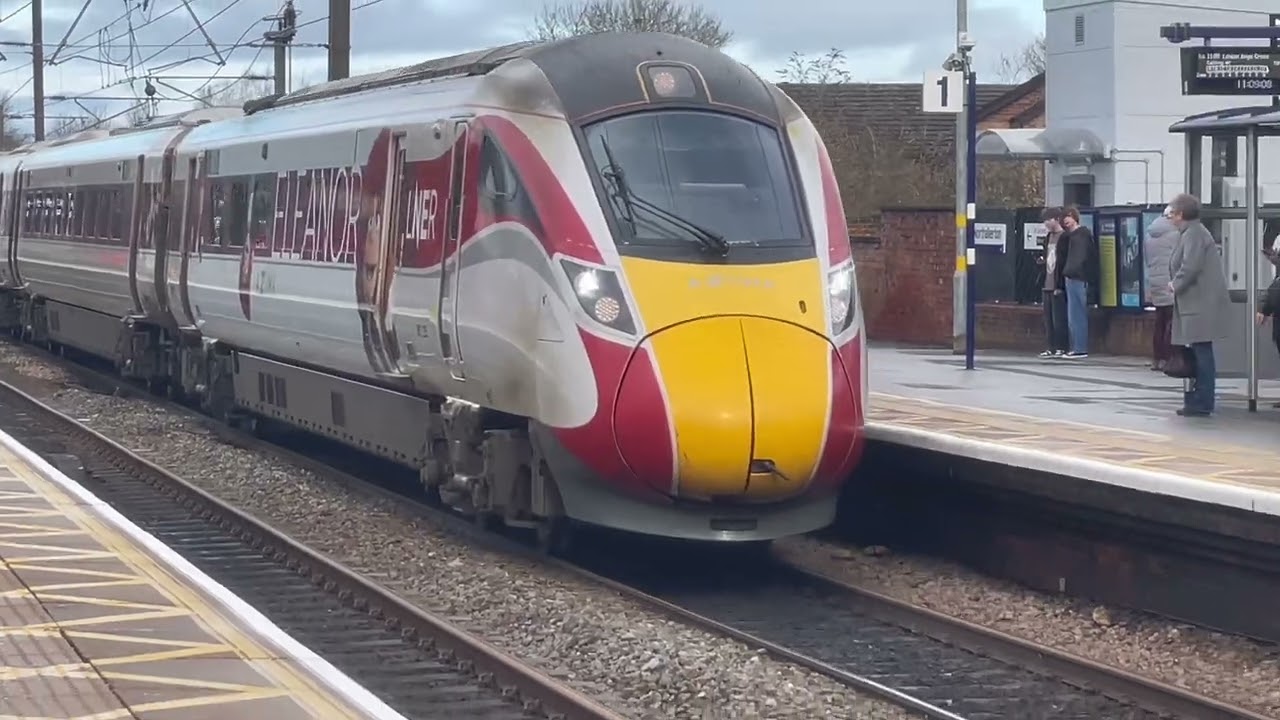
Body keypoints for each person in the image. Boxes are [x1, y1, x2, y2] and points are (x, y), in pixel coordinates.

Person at [1167, 193, 1231, 417]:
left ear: (1181, 214)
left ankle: (1203, 401)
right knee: (1201, 351)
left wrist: (1176, 284)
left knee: (1202, 353)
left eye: (1172, 213)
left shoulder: (1194, 233)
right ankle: (1200, 398)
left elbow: (1191, 265)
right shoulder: (1192, 232)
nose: (1170, 218)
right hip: (1196, 303)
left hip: (1200, 304)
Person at [1144, 208, 1179, 371]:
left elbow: (1146, 259)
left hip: (1155, 282)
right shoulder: (1175, 234)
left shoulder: (1150, 234)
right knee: (1171, 323)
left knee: (1160, 322)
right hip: (1170, 283)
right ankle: (1168, 357)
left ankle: (1157, 358)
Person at [1059, 205, 1093, 359]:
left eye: (1068, 217)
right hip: (1072, 278)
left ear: (1074, 217)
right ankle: (1076, 347)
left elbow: (1079, 258)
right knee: (1073, 315)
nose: (1066, 221)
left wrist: (1070, 271)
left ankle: (1080, 348)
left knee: (1077, 314)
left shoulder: (1081, 236)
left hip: (1078, 278)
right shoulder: (1071, 237)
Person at [1036, 207, 1069, 359]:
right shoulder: (1048, 237)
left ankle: (1062, 347)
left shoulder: (1065, 237)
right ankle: (1050, 347)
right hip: (1047, 282)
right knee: (1048, 319)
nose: (1045, 224)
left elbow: (1064, 262)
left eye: (1047, 220)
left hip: (1057, 283)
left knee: (1059, 319)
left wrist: (1060, 284)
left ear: (1056, 219)